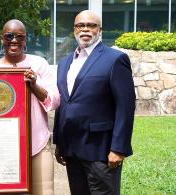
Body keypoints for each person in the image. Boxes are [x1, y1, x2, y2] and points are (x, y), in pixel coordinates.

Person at [53, 10, 135, 195]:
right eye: (80, 25)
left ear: (100, 30)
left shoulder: (115, 59)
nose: (85, 29)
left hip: (101, 151)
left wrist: (118, 148)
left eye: (91, 25)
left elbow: (126, 107)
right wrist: (59, 141)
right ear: (74, 29)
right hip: (72, 149)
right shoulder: (65, 62)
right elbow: (64, 103)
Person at [0, 19, 60, 195]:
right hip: (4, 145)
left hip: (37, 143)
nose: (14, 40)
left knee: (45, 192)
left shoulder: (39, 64)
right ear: (2, 39)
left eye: (20, 36)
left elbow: (55, 100)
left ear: (25, 40)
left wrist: (34, 85)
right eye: (9, 36)